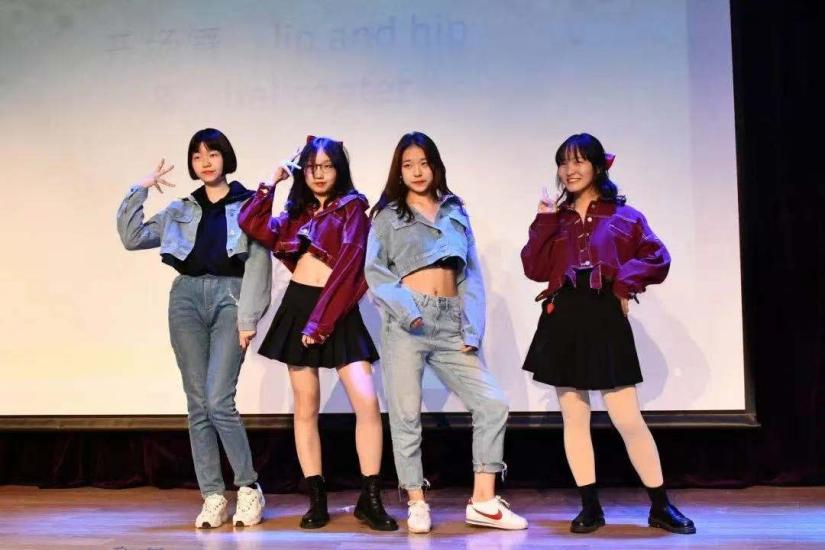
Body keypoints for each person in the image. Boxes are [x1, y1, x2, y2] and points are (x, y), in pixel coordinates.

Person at [520, 132, 695, 535]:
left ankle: (660, 505)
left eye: (579, 161)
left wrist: (623, 285)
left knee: (627, 417)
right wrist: (543, 221)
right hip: (563, 315)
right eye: (564, 162)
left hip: (603, 314)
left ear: (598, 166)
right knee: (574, 416)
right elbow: (533, 267)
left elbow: (658, 257)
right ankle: (590, 507)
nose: (570, 170)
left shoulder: (624, 216)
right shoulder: (555, 218)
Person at [365, 131, 527, 533]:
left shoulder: (455, 210)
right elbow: (376, 272)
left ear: (435, 166)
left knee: (492, 404)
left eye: (424, 163)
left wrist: (472, 328)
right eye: (408, 165)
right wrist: (408, 311)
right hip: (408, 322)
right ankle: (416, 501)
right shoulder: (387, 216)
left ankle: (484, 501)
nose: (417, 171)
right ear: (399, 172)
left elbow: (471, 274)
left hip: (451, 321)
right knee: (406, 415)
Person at [238, 136, 397, 531]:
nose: (319, 174)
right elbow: (252, 224)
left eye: (327, 166)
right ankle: (317, 497)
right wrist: (271, 183)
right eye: (312, 167)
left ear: (339, 169)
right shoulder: (298, 212)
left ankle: (370, 498)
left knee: (367, 402)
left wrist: (321, 323)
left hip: (335, 308)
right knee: (305, 407)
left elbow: (350, 267)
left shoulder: (353, 208)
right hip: (298, 306)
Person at [116, 128, 271, 528]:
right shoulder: (181, 209)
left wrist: (249, 317)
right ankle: (213, 495)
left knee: (219, 400)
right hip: (185, 298)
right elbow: (132, 237)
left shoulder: (248, 204)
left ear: (225, 158)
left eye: (212, 153)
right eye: (197, 156)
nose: (205, 162)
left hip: (231, 297)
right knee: (198, 403)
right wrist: (140, 188)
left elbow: (259, 263)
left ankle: (248, 487)